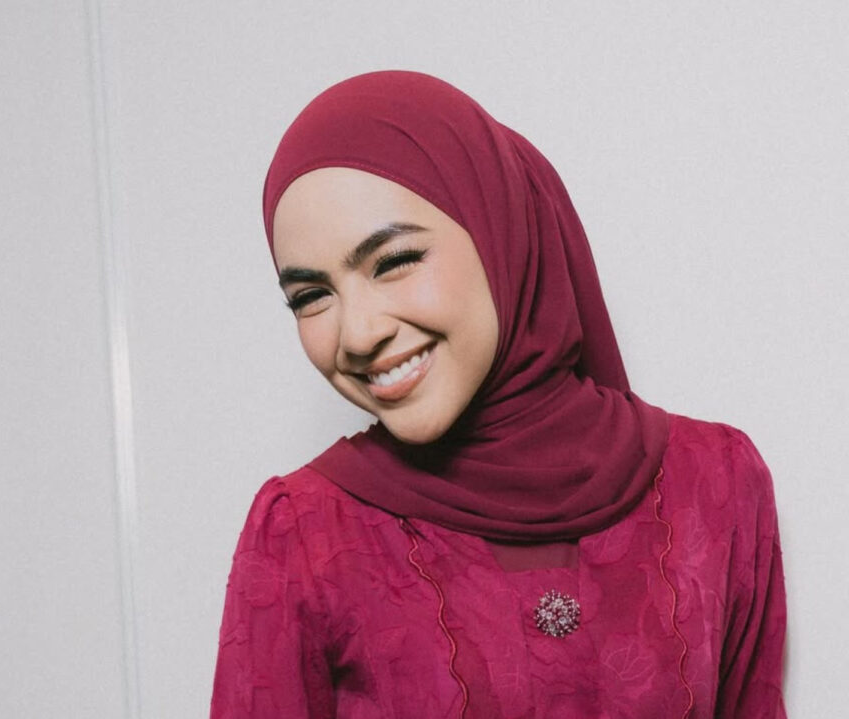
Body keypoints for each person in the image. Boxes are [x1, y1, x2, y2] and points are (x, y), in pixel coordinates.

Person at [209, 70, 787, 718]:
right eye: (312, 296)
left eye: (393, 261)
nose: (360, 333)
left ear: (500, 233)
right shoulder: (304, 531)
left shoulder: (716, 481)